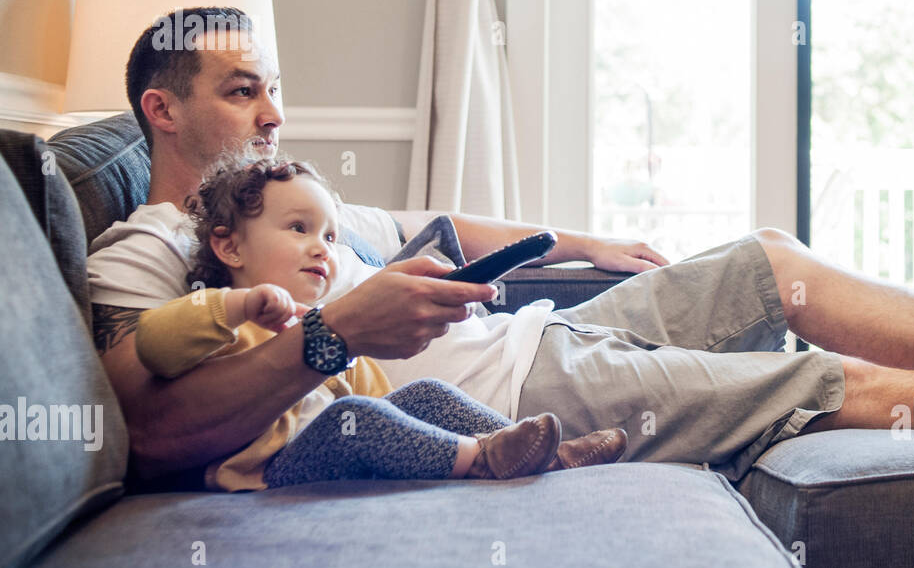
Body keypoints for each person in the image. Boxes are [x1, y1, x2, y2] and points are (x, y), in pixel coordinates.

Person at [89, 7, 914, 487]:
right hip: (536, 386)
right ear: (162, 110)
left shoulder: (302, 202)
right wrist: (334, 334)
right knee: (816, 380)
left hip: (539, 327)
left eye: (275, 89)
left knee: (769, 260)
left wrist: (587, 239)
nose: (275, 114)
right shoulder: (147, 245)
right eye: (244, 92)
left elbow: (436, 228)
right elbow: (149, 432)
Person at [130, 152, 627, 491]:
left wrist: (353, 365)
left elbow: (374, 393)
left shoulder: (317, 320)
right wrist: (237, 307)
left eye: (328, 237)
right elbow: (154, 343)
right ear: (229, 245)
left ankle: (531, 450)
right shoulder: (216, 311)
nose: (319, 249)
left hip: (330, 453)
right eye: (298, 229)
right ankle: (482, 460)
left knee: (424, 395)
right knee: (358, 422)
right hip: (264, 472)